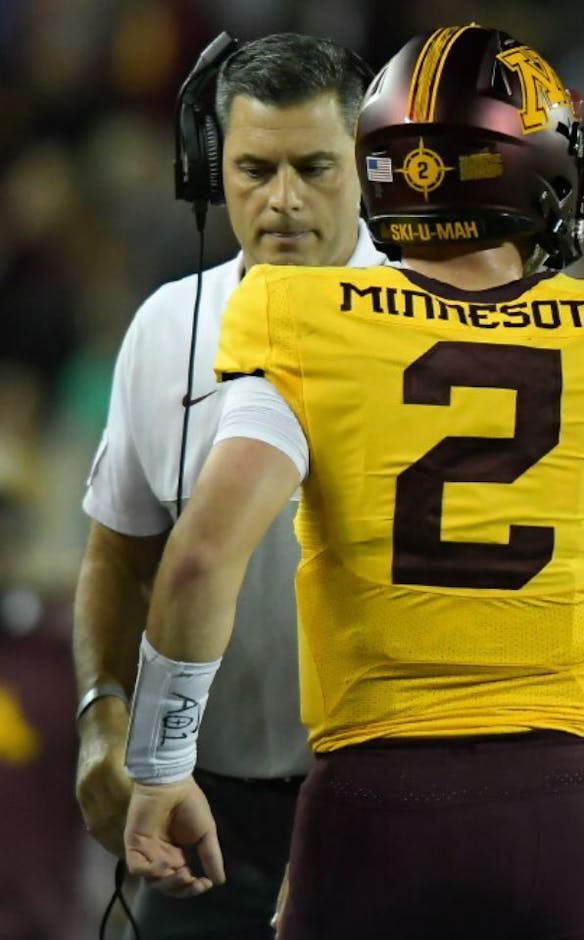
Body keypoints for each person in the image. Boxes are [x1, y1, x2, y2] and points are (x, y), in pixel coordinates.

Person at [118, 24, 584, 940]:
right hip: (560, 811)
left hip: (370, 809)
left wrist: (160, 762)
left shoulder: (301, 322)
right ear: (531, 167)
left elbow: (198, 561)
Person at [72, 32, 382, 937]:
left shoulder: (431, 327)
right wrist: (101, 716)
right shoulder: (167, 330)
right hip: (204, 819)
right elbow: (117, 557)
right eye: (252, 168)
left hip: (389, 816)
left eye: (315, 167)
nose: (282, 201)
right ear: (210, 171)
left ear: (366, 166)